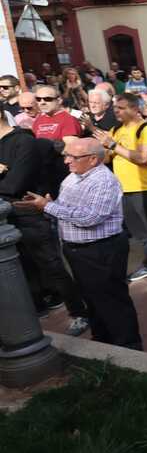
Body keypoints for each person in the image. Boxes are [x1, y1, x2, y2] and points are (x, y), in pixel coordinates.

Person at [14, 138, 142, 349]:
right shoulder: (73, 178)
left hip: (101, 249)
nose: (66, 161)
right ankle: (103, 343)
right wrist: (46, 206)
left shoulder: (103, 181)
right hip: (79, 251)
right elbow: (68, 211)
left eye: (72, 157)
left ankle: (130, 349)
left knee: (112, 299)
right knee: (92, 299)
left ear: (93, 159)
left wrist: (47, 207)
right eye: (66, 155)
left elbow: (90, 218)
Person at [0, 110, 88, 334]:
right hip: (6, 218)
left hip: (28, 213)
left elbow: (14, 185)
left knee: (51, 265)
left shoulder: (23, 142)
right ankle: (37, 308)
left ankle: (79, 312)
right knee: (21, 268)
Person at [94, 92, 147, 286]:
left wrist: (113, 145)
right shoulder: (116, 129)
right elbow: (107, 158)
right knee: (140, 233)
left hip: (146, 188)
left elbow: (142, 158)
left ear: (134, 109)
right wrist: (103, 147)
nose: (117, 111)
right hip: (123, 189)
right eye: (115, 107)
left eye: (121, 107)